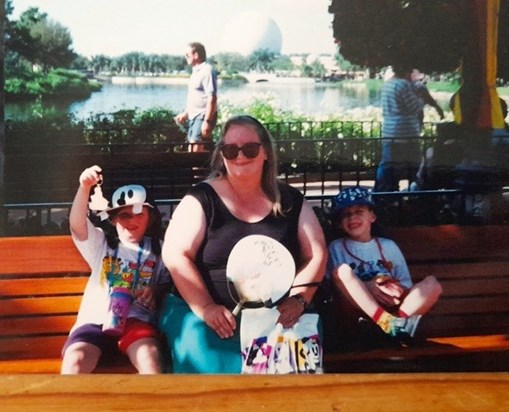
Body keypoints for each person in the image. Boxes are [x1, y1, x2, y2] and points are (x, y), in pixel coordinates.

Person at [159, 115, 327, 373]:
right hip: (206, 316)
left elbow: (316, 253)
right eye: (230, 149)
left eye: (250, 148)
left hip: (276, 316)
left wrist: (299, 299)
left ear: (266, 153)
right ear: (222, 155)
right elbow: (175, 255)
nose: (240, 156)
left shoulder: (290, 199)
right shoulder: (202, 198)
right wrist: (206, 307)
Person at [61, 165, 171, 374]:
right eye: (123, 215)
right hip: (96, 321)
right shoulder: (102, 244)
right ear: (112, 219)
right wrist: (84, 187)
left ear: (151, 216)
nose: (132, 220)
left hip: (136, 321)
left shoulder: (159, 249)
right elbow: (77, 225)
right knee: (75, 360)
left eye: (139, 212)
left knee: (151, 359)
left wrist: (155, 291)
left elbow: (168, 282)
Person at [327, 186, 442, 341]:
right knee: (341, 271)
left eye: (359, 212)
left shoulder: (388, 246)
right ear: (340, 223)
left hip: (392, 307)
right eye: (346, 215)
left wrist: (392, 288)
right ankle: (387, 324)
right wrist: (369, 287)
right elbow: (335, 288)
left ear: (372, 217)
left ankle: (392, 325)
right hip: (358, 313)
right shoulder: (337, 246)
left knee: (432, 283)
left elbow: (405, 284)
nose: (352, 218)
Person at [375, 65, 424, 192]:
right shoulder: (404, 85)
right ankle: (417, 193)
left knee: (388, 165)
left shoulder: (387, 84)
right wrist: (420, 97)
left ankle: (384, 193)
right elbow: (415, 107)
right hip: (406, 132)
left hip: (389, 130)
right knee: (415, 167)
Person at [175, 42, 218, 152]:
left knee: (195, 152)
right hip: (194, 117)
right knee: (193, 151)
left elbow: (212, 98)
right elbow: (196, 97)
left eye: (187, 55)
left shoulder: (207, 70)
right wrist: (186, 113)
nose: (186, 57)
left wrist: (207, 122)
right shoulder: (196, 72)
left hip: (202, 116)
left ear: (196, 55)